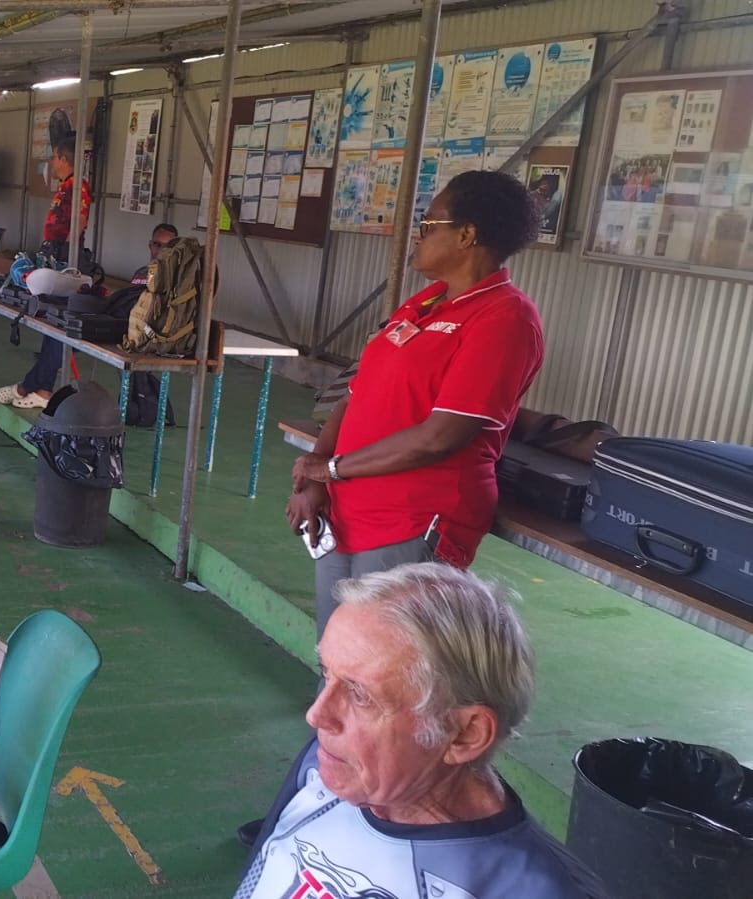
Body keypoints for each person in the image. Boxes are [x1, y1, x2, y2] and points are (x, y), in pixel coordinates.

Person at [236, 563, 605, 899]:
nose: (317, 716)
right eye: (326, 672)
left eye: (361, 695)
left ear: (465, 734)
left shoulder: (537, 890)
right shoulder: (326, 766)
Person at [287, 169, 545, 636]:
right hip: (348, 511)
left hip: (413, 519)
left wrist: (332, 470)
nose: (418, 235)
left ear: (466, 235)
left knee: (386, 658)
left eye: (428, 224)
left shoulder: (504, 318)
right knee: (337, 650)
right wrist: (317, 472)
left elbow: (439, 437)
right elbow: (357, 392)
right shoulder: (425, 303)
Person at [0, 136, 91, 410]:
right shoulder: (66, 185)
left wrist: (66, 253)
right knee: (52, 324)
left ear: (63, 159)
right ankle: (39, 387)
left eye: (54, 157)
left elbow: (79, 221)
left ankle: (35, 387)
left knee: (58, 326)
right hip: (55, 257)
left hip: (65, 260)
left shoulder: (78, 186)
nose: (52, 162)